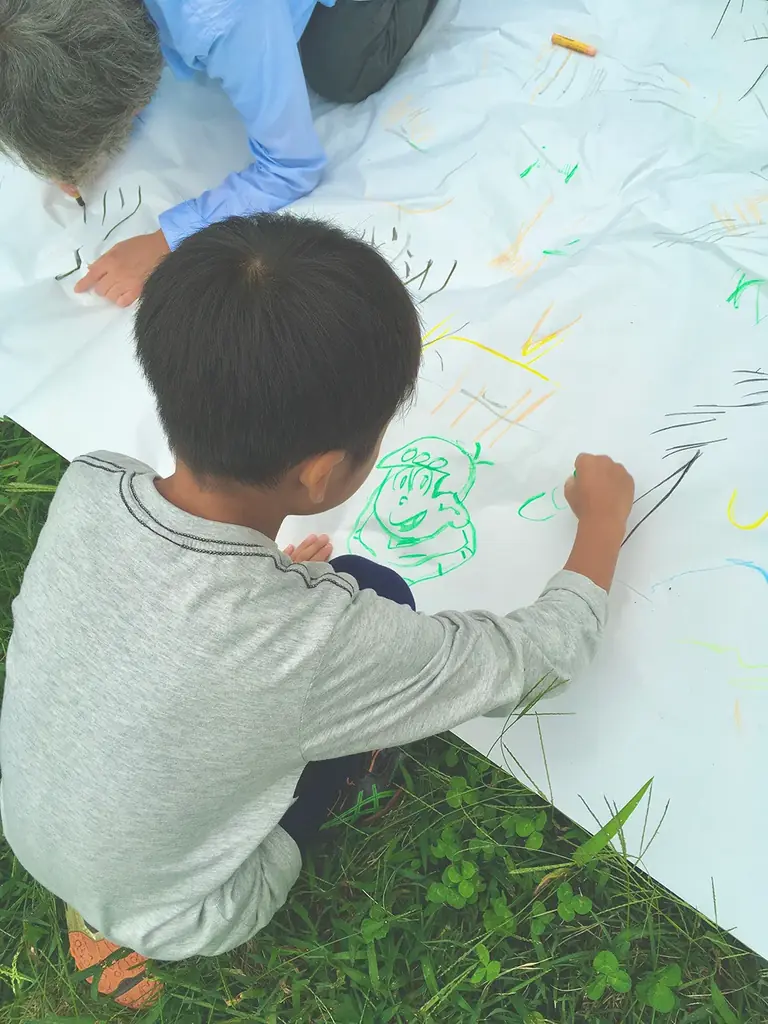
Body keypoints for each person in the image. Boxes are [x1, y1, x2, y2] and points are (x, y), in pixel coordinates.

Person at [0, 213, 635, 1008]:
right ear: (323, 474)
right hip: (190, 909)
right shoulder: (317, 647)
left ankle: (103, 902)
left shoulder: (91, 482)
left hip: (34, 829)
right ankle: (144, 914)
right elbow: (534, 661)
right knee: (384, 591)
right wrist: (605, 524)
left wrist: (264, 594)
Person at [0, 0, 438, 306]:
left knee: (346, 70)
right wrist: (61, 135)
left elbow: (291, 167)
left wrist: (166, 240)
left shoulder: (222, 15)